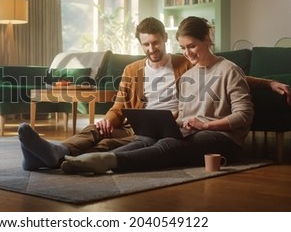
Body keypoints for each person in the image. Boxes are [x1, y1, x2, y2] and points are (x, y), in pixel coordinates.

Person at [18, 17, 291, 171]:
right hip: (144, 124)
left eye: (156, 42)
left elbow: (231, 76)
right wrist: (110, 121)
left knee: (123, 145)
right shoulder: (135, 70)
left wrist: (268, 83)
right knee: (96, 130)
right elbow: (119, 105)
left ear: (164, 39)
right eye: (146, 44)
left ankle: (71, 161)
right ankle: (54, 152)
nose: (152, 49)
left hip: (175, 126)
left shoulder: (185, 64)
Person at [60, 16, 254, 175]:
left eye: (192, 46)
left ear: (207, 39)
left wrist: (205, 125)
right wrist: (169, 125)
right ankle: (88, 160)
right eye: (183, 48)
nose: (188, 53)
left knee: (168, 144)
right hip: (194, 132)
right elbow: (185, 114)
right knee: (147, 139)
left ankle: (109, 161)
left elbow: (244, 115)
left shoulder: (229, 69)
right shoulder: (188, 76)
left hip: (223, 137)